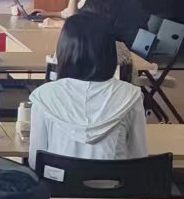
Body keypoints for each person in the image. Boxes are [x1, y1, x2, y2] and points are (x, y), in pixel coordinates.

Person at [25, 12, 148, 166]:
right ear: (110, 52)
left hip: (57, 181)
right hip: (114, 181)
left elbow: (36, 161)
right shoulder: (131, 95)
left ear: (64, 50)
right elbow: (139, 157)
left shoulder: (44, 96)